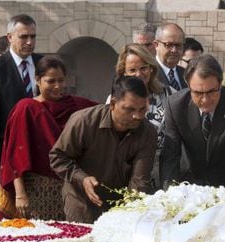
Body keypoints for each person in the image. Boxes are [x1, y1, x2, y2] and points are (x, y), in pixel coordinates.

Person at [0, 56, 97, 220]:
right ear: (37, 80)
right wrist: (20, 194)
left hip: (70, 189)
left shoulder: (76, 105)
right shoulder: (26, 108)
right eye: (51, 81)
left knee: (68, 238)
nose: (57, 86)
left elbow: (108, 112)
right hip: (35, 191)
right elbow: (15, 155)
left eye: (61, 80)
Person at [49, 76, 157, 223]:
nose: (137, 116)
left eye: (142, 109)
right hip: (82, 202)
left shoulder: (148, 132)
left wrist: (132, 212)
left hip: (121, 206)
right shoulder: (84, 121)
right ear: (113, 104)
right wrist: (82, 178)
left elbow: (140, 180)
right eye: (130, 109)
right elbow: (58, 157)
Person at [161, 54, 225, 192]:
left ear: (220, 84)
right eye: (198, 93)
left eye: (212, 91)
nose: (205, 99)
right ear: (188, 86)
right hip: (191, 187)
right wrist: (171, 195)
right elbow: (170, 157)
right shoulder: (175, 106)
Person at [0, 14, 42, 218]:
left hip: (39, 150)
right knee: (6, 212)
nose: (29, 42)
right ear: (9, 37)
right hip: (6, 152)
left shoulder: (44, 63)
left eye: (33, 36)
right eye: (24, 37)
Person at [113, 43, 175, 190]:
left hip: (163, 171)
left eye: (143, 68)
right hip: (127, 170)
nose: (139, 74)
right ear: (123, 73)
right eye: (132, 70)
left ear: (151, 68)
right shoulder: (114, 99)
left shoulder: (169, 94)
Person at [154, 23, 188, 90]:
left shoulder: (187, 75)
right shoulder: (149, 74)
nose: (174, 50)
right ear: (156, 45)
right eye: (169, 45)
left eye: (178, 45)